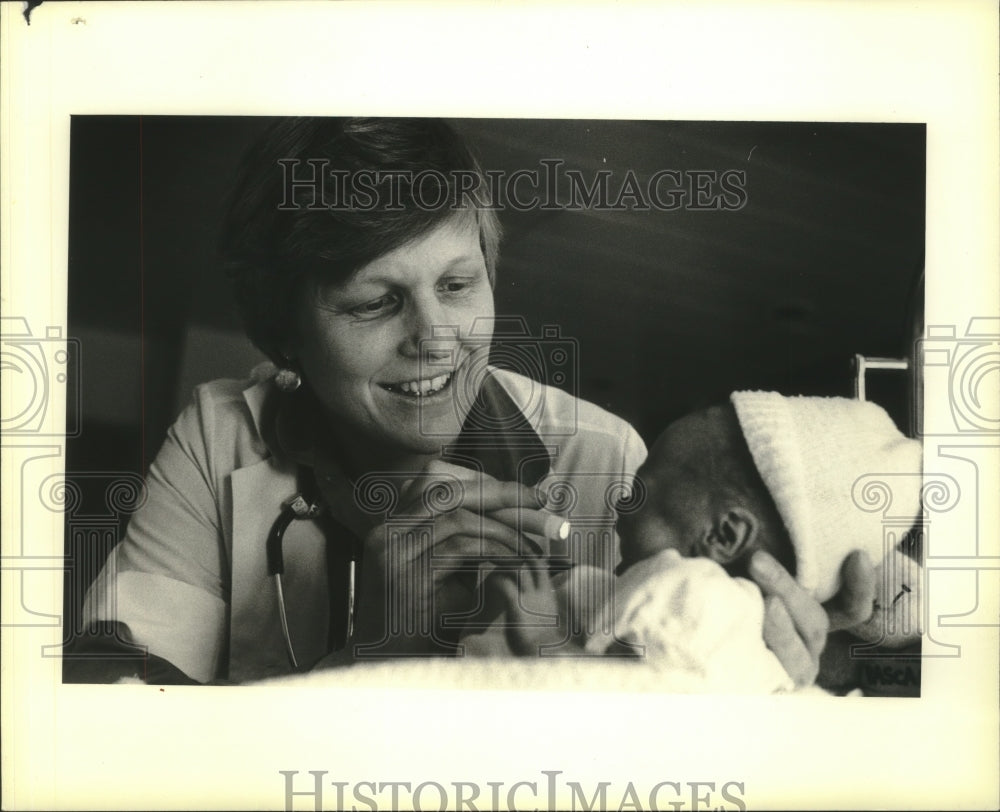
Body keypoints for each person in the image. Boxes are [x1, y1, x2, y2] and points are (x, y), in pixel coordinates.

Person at [67, 117, 873, 686]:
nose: (438, 338)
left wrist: (794, 666)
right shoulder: (220, 437)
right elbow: (115, 720)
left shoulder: (608, 462)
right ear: (284, 339)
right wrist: (375, 653)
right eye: (374, 304)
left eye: (458, 285)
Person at [484, 392, 924, 693]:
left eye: (644, 488)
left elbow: (650, 699)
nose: (621, 498)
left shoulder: (700, 597)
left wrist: (548, 639)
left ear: (722, 535)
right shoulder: (724, 620)